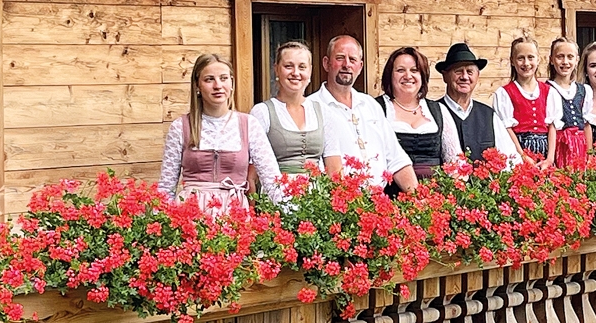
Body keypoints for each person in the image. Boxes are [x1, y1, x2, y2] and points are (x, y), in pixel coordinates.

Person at [159, 52, 282, 211]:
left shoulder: (248, 125)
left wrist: (289, 217)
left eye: (223, 78)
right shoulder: (181, 127)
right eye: (209, 79)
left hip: (234, 215)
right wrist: (160, 225)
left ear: (231, 82)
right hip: (190, 215)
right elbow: (166, 186)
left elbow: (271, 178)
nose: (218, 85)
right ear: (197, 85)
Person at [308, 35, 417, 193]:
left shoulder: (370, 105)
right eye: (340, 58)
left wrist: (418, 200)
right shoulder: (312, 107)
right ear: (326, 63)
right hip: (337, 205)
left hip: (378, 203)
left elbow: (396, 158)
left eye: (352, 60)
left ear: (360, 66)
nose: (346, 64)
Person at [377, 46, 462, 181]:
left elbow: (455, 163)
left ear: (422, 76)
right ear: (389, 75)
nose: (408, 76)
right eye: (400, 70)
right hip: (389, 196)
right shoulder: (377, 109)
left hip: (434, 196)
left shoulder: (438, 111)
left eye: (414, 70)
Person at [435, 42, 521, 166]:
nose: (465, 77)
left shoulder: (489, 115)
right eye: (458, 71)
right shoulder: (433, 112)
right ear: (445, 76)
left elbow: (510, 159)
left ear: (477, 76)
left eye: (470, 72)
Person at [250, 40, 328, 174]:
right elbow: (253, 169)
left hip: (318, 191)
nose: (296, 73)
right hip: (278, 189)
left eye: (302, 67)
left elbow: (334, 165)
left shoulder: (322, 111)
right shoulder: (262, 112)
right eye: (288, 66)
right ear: (276, 69)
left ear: (310, 70)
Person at [493, 36, 559, 166]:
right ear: (512, 61)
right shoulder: (505, 93)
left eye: (531, 57)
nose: (526, 63)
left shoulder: (549, 91)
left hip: (545, 152)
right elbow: (507, 128)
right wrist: (522, 156)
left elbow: (552, 127)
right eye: (520, 58)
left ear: (538, 59)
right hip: (518, 149)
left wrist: (550, 159)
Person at [547, 37, 593, 167]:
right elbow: (551, 126)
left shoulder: (584, 90)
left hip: (581, 146)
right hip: (560, 145)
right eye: (560, 57)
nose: (565, 62)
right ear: (551, 60)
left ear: (577, 60)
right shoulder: (547, 89)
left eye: (570, 57)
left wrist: (590, 156)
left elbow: (586, 125)